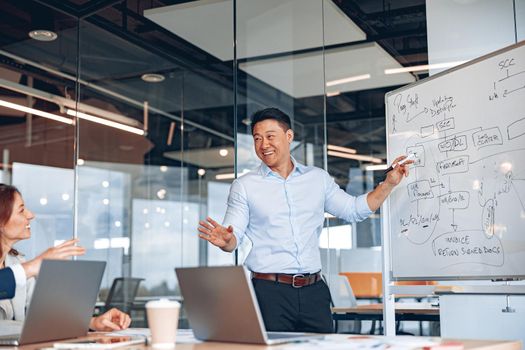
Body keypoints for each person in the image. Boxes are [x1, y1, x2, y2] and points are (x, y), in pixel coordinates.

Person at [198, 107, 413, 333]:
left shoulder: (317, 178)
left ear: (289, 136)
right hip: (269, 292)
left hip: (314, 291)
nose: (263, 145)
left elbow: (353, 210)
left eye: (270, 136)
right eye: (257, 138)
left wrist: (388, 184)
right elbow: (234, 236)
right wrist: (226, 241)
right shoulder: (245, 186)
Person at [0, 183, 131, 331]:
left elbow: (42, 315)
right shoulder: (24, 268)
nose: (31, 215)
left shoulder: (16, 261)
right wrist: (33, 266)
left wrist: (93, 323)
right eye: (21, 210)